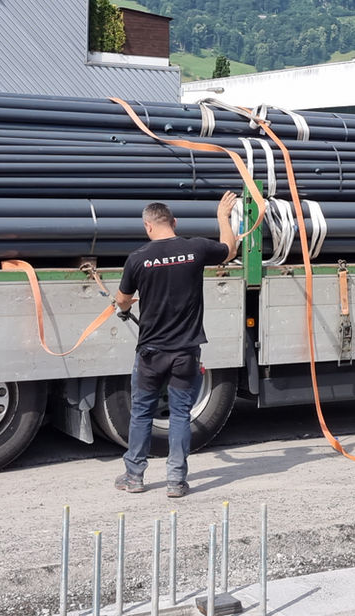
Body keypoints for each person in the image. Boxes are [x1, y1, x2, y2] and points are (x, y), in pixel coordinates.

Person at [112, 193, 241, 498]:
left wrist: (127, 305)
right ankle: (175, 481)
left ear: (148, 226)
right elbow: (229, 249)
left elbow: (121, 299)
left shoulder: (138, 258)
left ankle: (134, 477)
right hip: (185, 353)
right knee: (180, 415)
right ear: (174, 222)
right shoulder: (195, 248)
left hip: (151, 355)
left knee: (142, 413)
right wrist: (223, 216)